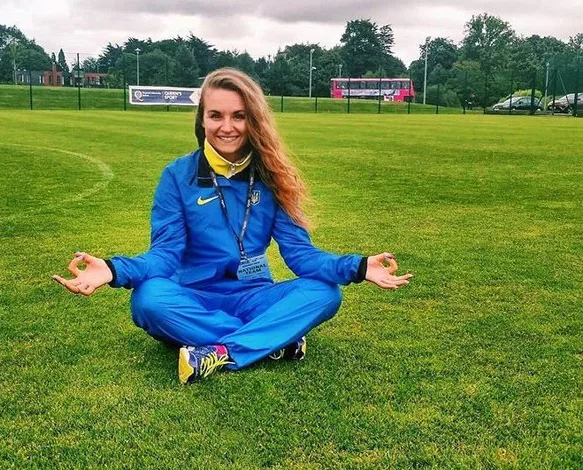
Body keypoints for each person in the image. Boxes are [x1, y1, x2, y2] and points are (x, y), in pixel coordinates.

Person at [53, 68, 412, 384]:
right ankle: (274, 339)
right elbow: (164, 256)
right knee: (149, 300)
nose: (227, 127)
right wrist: (113, 269)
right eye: (216, 115)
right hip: (193, 297)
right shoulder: (177, 176)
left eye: (239, 116)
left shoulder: (272, 177)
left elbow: (301, 256)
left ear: (253, 120)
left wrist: (358, 266)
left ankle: (220, 351)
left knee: (325, 294)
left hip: (254, 297)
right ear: (202, 120)